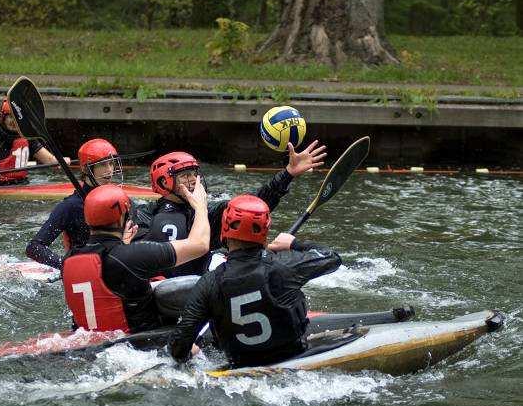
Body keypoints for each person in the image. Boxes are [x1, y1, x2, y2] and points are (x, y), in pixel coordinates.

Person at [168, 194, 341, 368]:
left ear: (224, 228)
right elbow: (332, 258)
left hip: (240, 371)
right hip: (295, 357)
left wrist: (187, 350)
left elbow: (178, 347)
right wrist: (294, 244)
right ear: (264, 230)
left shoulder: (209, 282)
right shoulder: (285, 265)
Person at [133, 141, 326, 278]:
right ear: (163, 181)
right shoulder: (143, 216)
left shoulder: (207, 214)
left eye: (194, 174)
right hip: (161, 291)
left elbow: (253, 204)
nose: (193, 180)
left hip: (198, 287)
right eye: (184, 176)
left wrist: (287, 174)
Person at [62, 179, 209, 334]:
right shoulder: (132, 255)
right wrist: (200, 207)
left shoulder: (68, 260)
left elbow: (106, 283)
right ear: (122, 217)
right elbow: (200, 245)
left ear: (87, 219)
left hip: (89, 343)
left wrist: (122, 246)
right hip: (142, 346)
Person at [26, 138, 124, 270]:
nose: (109, 170)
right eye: (102, 164)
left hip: (114, 265)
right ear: (86, 168)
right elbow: (34, 248)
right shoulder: (70, 206)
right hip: (83, 272)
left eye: (111, 164)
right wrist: (67, 265)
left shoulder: (119, 198)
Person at [0, 97, 68, 186]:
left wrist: (60, 161)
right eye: (10, 117)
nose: (13, 121)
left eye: (17, 117)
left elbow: (49, 160)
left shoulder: (28, 136)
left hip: (22, 185)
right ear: (3, 117)